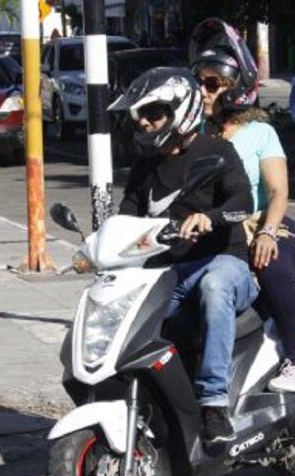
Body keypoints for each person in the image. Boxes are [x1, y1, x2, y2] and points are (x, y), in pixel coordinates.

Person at [109, 67, 256, 446]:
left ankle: (214, 406)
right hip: (168, 270)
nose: (143, 122)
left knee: (214, 286)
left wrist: (210, 217)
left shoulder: (218, 151)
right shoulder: (146, 165)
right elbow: (127, 214)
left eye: (153, 113)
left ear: (182, 111)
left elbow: (243, 200)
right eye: (140, 115)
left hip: (224, 260)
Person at [189, 18, 295, 393]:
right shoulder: (195, 133)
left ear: (235, 90)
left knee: (269, 260)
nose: (203, 91)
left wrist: (265, 232)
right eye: (200, 81)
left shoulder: (261, 133)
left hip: (265, 222)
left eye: (212, 84)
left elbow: (279, 192)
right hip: (218, 227)